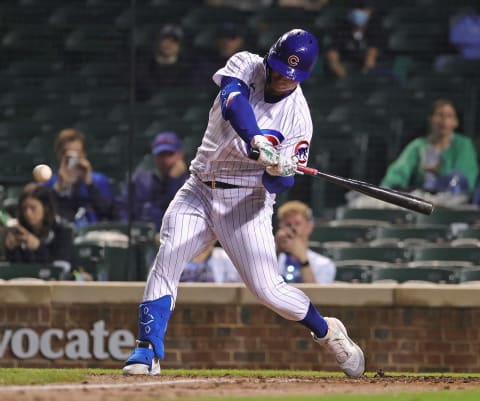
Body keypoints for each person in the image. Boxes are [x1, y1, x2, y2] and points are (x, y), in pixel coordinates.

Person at [122, 29, 364, 378]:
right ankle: (147, 349)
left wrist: (280, 170)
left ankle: (327, 331)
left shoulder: (299, 119)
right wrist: (256, 140)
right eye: (278, 69)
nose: (282, 78)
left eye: (290, 76)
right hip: (199, 188)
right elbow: (232, 99)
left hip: (247, 200)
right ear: (269, 59)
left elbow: (280, 183)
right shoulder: (247, 64)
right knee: (169, 253)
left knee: (268, 291)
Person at [381, 99, 479, 195]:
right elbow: (395, 175)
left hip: (456, 202)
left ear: (455, 122)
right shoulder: (418, 146)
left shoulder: (464, 145)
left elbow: (466, 178)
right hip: (422, 200)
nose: (444, 120)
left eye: (449, 116)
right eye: (440, 115)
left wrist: (440, 174)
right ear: (431, 119)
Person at [116, 132, 189, 231]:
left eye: (170, 154)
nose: (165, 160)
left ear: (180, 155)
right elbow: (123, 210)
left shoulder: (190, 183)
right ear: (154, 157)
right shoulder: (140, 181)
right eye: (161, 155)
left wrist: (173, 181)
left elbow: (170, 210)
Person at [44, 128, 115, 228]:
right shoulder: (50, 183)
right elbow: (43, 213)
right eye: (68, 155)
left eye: (78, 153)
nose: (74, 159)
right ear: (59, 155)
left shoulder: (99, 180)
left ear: (84, 154)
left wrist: (89, 184)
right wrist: (59, 187)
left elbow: (109, 212)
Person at [4, 185, 73, 273]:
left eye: (33, 208)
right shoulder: (20, 231)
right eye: (24, 208)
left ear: (46, 208)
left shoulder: (63, 230)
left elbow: (61, 268)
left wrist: (38, 247)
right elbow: (15, 269)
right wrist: (11, 249)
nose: (28, 213)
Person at [276, 201, 336, 284]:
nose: (293, 229)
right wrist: (277, 251)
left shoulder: (324, 264)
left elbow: (318, 295)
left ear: (309, 226)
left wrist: (303, 260)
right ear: (281, 227)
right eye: (288, 225)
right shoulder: (274, 258)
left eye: (297, 224)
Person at [324, 0, 385, 78]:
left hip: (367, 74)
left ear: (370, 12)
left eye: (363, 9)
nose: (359, 12)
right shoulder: (339, 31)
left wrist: (361, 79)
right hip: (343, 71)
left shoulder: (375, 31)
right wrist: (345, 78)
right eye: (356, 9)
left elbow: (370, 59)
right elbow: (332, 57)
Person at [135, 24, 191, 102]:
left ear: (180, 46)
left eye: (174, 41)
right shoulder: (144, 67)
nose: (169, 44)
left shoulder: (187, 70)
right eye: (165, 39)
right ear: (158, 42)